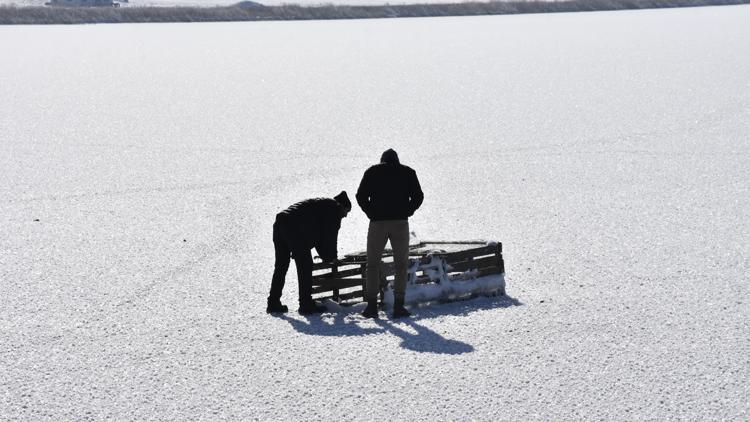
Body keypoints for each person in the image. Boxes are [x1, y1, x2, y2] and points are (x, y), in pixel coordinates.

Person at [356, 149, 423, 319]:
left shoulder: (372, 172)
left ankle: (372, 307)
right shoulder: (408, 172)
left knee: (372, 264)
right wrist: (407, 211)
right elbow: (418, 196)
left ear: (382, 160)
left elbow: (360, 196)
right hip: (400, 223)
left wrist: (371, 213)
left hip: (377, 223)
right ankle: (399, 306)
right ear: (397, 160)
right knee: (401, 264)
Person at [267, 191, 352, 315]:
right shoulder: (335, 210)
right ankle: (306, 305)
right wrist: (331, 257)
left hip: (281, 222)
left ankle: (273, 303)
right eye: (347, 211)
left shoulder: (323, 206)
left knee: (281, 266)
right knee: (305, 266)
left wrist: (326, 256)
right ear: (343, 206)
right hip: (295, 229)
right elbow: (330, 236)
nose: (345, 216)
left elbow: (319, 238)